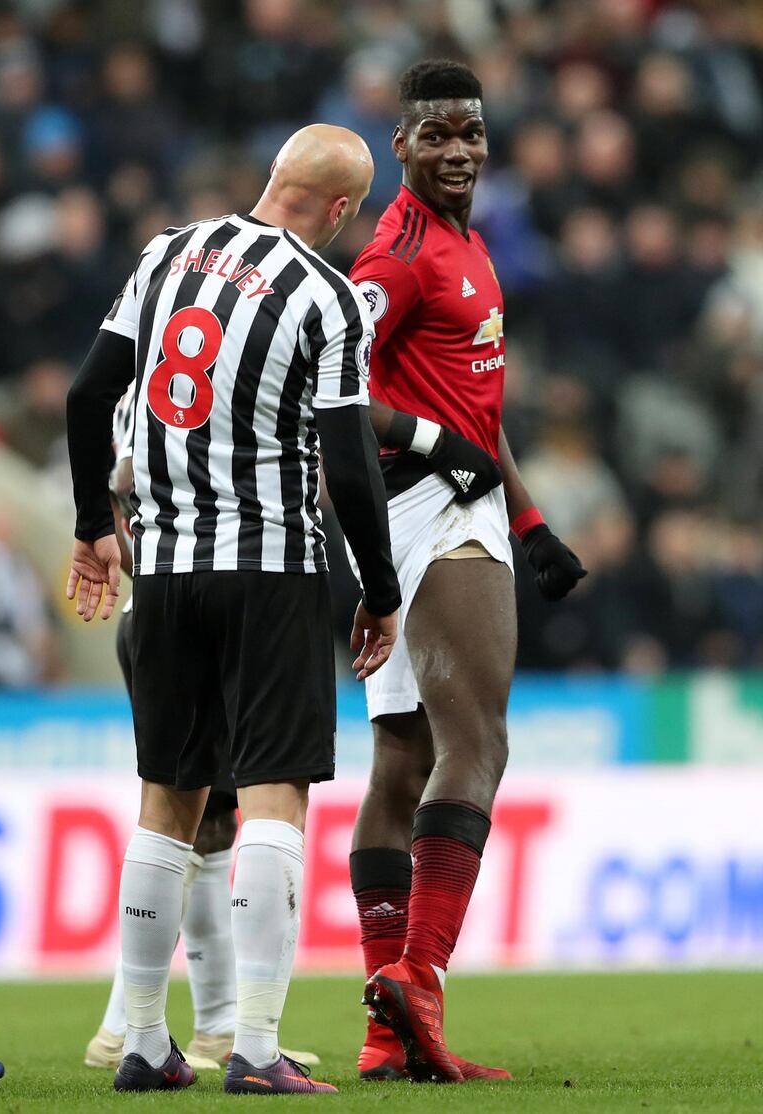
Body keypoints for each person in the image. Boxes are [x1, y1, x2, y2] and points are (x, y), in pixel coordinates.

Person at [66, 124, 401, 1096]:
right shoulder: (325, 294)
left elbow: (92, 394)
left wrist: (95, 522)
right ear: (341, 209)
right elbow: (346, 460)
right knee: (272, 798)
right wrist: (379, 590)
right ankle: (254, 1045)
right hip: (271, 567)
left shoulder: (166, 252)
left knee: (165, 805)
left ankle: (139, 1038)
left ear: (271, 178)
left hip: (163, 572)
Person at [347, 60, 586, 1084]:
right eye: (436, 135)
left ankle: (381, 1024)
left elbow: (476, 412)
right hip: (429, 513)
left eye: (471, 134)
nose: (458, 151)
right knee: (476, 739)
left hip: (461, 507)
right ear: (398, 145)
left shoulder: (468, 246)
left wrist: (528, 519)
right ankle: (423, 981)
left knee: (401, 761)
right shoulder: (395, 254)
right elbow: (327, 391)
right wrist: (438, 448)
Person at [84, 383, 318, 1074]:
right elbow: (126, 478)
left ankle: (208, 1025)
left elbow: (119, 477)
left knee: (208, 821)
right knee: (185, 819)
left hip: (161, 605)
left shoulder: (146, 372)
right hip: (210, 603)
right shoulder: (204, 369)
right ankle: (129, 1026)